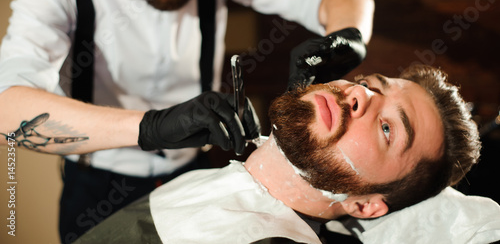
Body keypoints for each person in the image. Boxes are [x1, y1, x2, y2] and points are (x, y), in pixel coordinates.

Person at [0, 0, 374, 242]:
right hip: (98, 189)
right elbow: (7, 112)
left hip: (195, 176)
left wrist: (347, 36)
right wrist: (152, 127)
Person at [71, 65, 483, 243]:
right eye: (369, 84)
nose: (358, 93)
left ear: (366, 205)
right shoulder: (228, 181)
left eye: (388, 127)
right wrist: (147, 128)